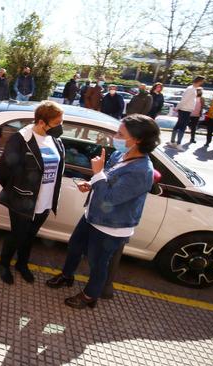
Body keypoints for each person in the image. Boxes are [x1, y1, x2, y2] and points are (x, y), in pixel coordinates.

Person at [46, 114, 160, 309]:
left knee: (97, 263)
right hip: (92, 215)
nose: (115, 136)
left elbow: (111, 198)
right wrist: (91, 183)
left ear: (138, 139)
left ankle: (90, 296)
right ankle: (67, 276)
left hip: (111, 227)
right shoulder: (119, 155)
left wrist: (97, 173)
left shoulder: (142, 171)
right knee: (74, 247)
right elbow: (106, 182)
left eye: (120, 133)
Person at [0, 101, 65, 284]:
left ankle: (22, 264)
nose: (61, 127)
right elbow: (3, 171)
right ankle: (3, 264)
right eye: (57, 123)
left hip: (45, 201)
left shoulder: (54, 139)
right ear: (42, 122)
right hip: (22, 200)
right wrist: (17, 191)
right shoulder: (21, 139)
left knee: (30, 235)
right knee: (17, 234)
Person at [168, 76, 205, 151]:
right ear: (199, 81)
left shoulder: (193, 89)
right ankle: (177, 143)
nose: (202, 83)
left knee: (178, 126)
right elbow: (184, 100)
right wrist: (177, 108)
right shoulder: (191, 89)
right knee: (182, 127)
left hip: (186, 110)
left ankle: (173, 142)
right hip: (185, 110)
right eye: (202, 81)